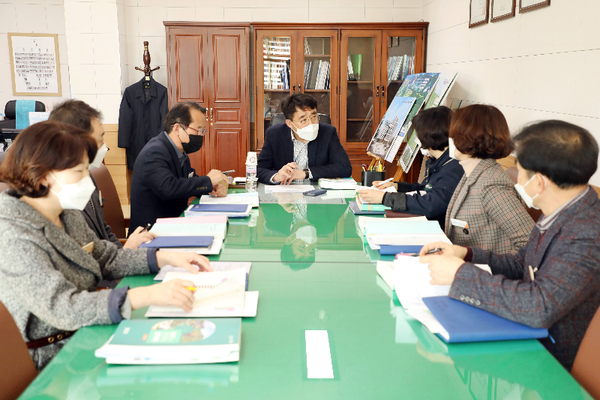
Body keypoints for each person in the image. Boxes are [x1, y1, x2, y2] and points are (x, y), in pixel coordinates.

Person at [0, 121, 213, 370]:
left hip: (87, 332)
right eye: (79, 173)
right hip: (53, 357)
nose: (89, 184)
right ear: (44, 175)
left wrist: (164, 258)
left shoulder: (65, 213)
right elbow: (63, 306)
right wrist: (145, 295)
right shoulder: (12, 234)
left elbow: (106, 258)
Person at [419, 120, 600, 371]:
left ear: (539, 182)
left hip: (552, 360)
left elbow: (539, 307)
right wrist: (466, 254)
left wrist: (461, 275)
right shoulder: (562, 208)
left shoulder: (587, 234)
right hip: (526, 335)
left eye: (520, 169)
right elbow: (520, 263)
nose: (517, 177)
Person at [49, 99, 155, 249]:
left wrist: (123, 254)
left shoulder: (87, 176)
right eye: (98, 141)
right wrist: (126, 251)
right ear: (74, 141)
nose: (103, 147)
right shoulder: (57, 198)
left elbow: (104, 231)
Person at [444, 104, 533, 254]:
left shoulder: (491, 185)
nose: (450, 138)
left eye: (454, 133)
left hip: (484, 273)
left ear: (468, 136)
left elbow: (529, 242)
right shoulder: (474, 172)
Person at [129, 102, 230, 232]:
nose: (201, 135)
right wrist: (208, 181)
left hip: (173, 223)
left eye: (203, 131)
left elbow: (187, 180)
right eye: (198, 130)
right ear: (177, 128)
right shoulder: (154, 152)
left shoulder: (179, 151)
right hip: (151, 233)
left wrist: (209, 188)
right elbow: (169, 188)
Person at [356, 106, 463, 229]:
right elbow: (426, 189)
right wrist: (397, 186)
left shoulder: (454, 167)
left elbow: (431, 204)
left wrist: (384, 198)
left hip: (434, 230)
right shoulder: (439, 161)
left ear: (427, 135)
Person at [257, 94, 352, 184]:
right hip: (285, 194)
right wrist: (277, 176)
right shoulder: (274, 134)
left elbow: (344, 167)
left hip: (317, 194)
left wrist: (305, 173)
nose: (311, 123)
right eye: (303, 120)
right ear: (290, 123)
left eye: (314, 117)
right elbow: (259, 170)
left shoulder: (328, 133)